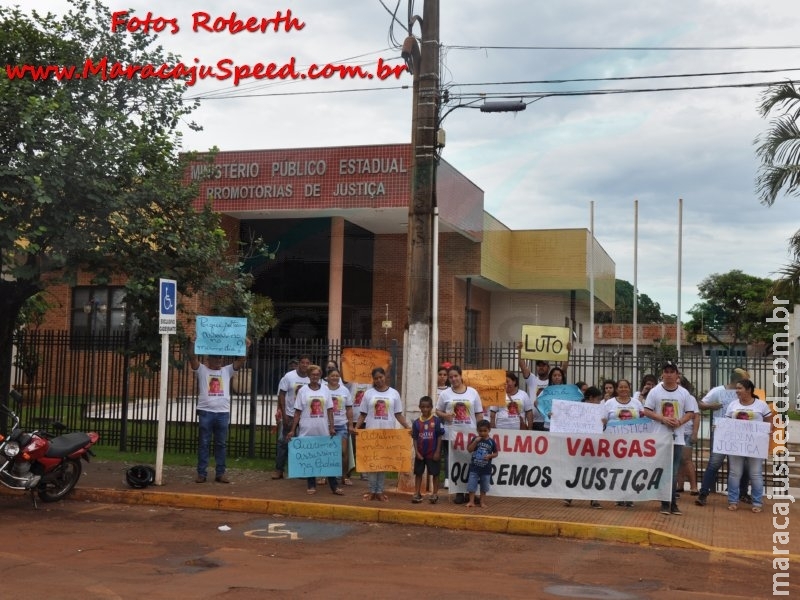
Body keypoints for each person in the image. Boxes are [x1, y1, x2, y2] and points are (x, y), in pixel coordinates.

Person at [187, 338, 250, 484]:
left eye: (221, 358)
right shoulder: (202, 369)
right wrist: (192, 343)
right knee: (204, 443)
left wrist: (246, 347)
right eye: (216, 358)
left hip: (222, 413)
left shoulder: (227, 371)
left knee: (221, 444)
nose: (219, 360)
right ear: (209, 359)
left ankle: (220, 473)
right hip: (205, 412)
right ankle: (201, 473)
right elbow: (191, 357)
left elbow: (241, 360)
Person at [642, 361, 696, 516]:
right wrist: (662, 419)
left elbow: (690, 412)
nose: (669, 374)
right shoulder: (655, 391)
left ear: (677, 375)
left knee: (673, 470)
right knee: (663, 470)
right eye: (666, 371)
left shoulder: (683, 393)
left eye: (672, 371)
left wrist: (680, 421)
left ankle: (672, 502)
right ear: (662, 374)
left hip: (677, 437)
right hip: (660, 436)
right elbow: (646, 411)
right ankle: (665, 502)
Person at [695, 367, 751, 507]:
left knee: (742, 464)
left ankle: (742, 492)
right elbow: (700, 404)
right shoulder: (718, 391)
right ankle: (703, 493)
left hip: (739, 433)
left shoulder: (744, 393)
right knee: (714, 463)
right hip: (721, 432)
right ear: (736, 380)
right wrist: (711, 406)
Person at [355, 367, 411, 501]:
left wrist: (408, 427)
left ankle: (379, 491)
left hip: (387, 434)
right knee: (372, 463)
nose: (379, 380)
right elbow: (363, 414)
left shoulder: (394, 393)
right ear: (373, 380)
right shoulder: (368, 394)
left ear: (385, 377)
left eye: (381, 377)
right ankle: (371, 491)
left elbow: (398, 414)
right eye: (376, 378)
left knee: (383, 463)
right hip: (371, 433)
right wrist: (356, 428)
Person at [286, 365, 342, 496]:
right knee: (309, 458)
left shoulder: (326, 390)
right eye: (313, 375)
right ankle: (311, 485)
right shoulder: (303, 391)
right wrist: (293, 430)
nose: (315, 377)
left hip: (322, 429)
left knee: (327, 457)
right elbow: (297, 412)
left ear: (320, 376)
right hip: (307, 428)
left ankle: (334, 486)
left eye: (317, 374)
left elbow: (330, 410)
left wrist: (332, 427)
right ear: (309, 376)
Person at [436, 365, 484, 504]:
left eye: (455, 376)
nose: (453, 379)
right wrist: (446, 415)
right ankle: (458, 492)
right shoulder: (445, 394)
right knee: (455, 463)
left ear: (461, 376)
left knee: (472, 463)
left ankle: (471, 492)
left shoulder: (473, 393)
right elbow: (438, 411)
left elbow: (479, 414)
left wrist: (481, 433)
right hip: (453, 435)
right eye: (450, 377)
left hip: (470, 434)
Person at [724, 379, 772, 513]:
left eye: (740, 388)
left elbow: (769, 421)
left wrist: (768, 432)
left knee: (755, 474)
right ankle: (733, 501)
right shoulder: (732, 405)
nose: (737, 391)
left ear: (749, 390)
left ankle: (757, 502)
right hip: (736, 444)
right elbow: (727, 422)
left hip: (755, 445)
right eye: (737, 388)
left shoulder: (761, 405)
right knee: (734, 473)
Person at [272, 355, 311, 480]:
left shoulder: (312, 377)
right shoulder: (289, 376)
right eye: (303, 362)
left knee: (303, 443)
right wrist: (283, 414)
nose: (305, 365)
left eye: (307, 363)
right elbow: (281, 395)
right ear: (299, 363)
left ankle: (300, 470)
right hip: (289, 414)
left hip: (305, 416)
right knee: (284, 442)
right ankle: (279, 470)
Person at [411, 396, 445, 504]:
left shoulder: (436, 421)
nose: (425, 409)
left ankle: (434, 494)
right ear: (419, 407)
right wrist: (417, 452)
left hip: (432, 452)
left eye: (427, 407)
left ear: (431, 407)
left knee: (435, 474)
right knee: (418, 473)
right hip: (421, 453)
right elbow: (415, 438)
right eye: (423, 407)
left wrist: (438, 451)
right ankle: (417, 493)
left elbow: (439, 436)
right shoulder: (416, 423)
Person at [325, 367, 354, 486]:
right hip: (325, 425)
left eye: (337, 375)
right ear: (327, 377)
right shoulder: (323, 390)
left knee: (343, 452)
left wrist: (351, 425)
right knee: (326, 452)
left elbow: (349, 408)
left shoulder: (344, 391)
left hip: (341, 424)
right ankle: (324, 476)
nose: (335, 378)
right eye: (332, 376)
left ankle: (344, 476)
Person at [675, 376, 700, 498]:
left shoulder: (690, 398)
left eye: (680, 383)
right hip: (674, 432)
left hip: (686, 432)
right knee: (677, 460)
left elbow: (696, 416)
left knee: (686, 459)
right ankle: (680, 485)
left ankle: (694, 486)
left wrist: (695, 433)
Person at [465, 420, 498, 508]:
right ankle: (471, 501)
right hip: (474, 468)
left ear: (489, 430)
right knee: (471, 486)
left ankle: (482, 502)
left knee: (484, 487)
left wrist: (490, 456)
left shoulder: (491, 442)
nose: (482, 433)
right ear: (477, 430)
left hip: (486, 469)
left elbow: (496, 453)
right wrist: (475, 441)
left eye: (485, 431)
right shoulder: (475, 439)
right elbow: (469, 449)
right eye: (480, 431)